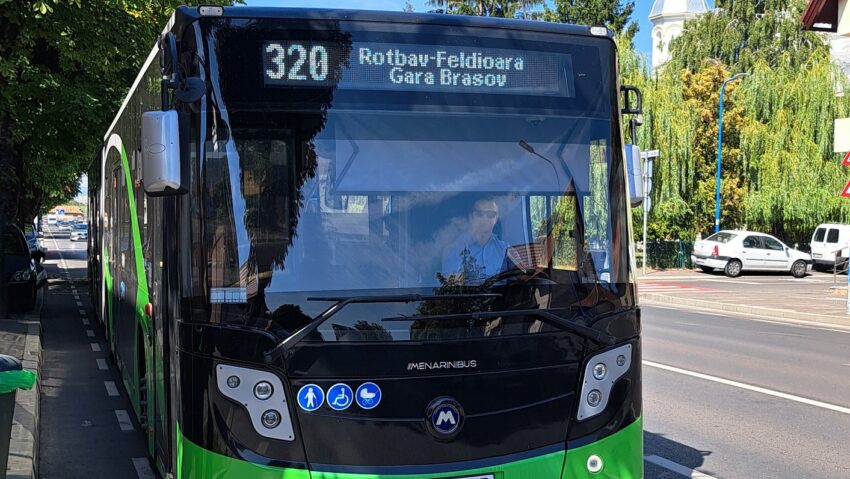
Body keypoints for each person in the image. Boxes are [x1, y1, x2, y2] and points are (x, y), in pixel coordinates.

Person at [441, 198, 509, 283]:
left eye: (490, 214)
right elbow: (452, 286)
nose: (484, 219)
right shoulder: (453, 249)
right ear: (471, 216)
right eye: (479, 214)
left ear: (496, 218)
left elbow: (518, 281)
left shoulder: (506, 250)